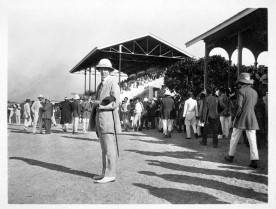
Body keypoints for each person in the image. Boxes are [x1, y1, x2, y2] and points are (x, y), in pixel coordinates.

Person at [94, 58, 121, 183]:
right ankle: (105, 172)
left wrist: (103, 106)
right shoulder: (100, 84)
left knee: (110, 148)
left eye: (106, 69)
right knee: (104, 149)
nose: (103, 71)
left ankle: (111, 174)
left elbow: (116, 102)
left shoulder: (112, 82)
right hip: (100, 120)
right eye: (101, 69)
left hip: (108, 121)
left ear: (110, 70)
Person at [225, 73, 260, 168]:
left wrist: (235, 118)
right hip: (252, 117)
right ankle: (254, 160)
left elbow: (239, 107)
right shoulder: (255, 92)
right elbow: (254, 105)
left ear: (241, 82)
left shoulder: (241, 91)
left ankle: (230, 156)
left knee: (234, 137)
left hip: (241, 118)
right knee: (252, 140)